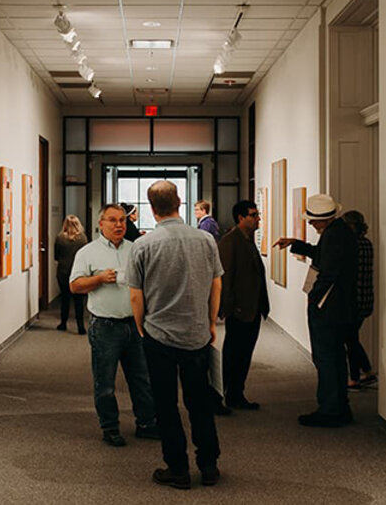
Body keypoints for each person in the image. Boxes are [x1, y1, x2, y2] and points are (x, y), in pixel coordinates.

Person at [128, 181, 224, 489]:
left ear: (151, 208)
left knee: (165, 405)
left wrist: (142, 327)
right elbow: (216, 284)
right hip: (196, 334)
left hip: (159, 336)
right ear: (180, 202)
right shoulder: (205, 240)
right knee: (200, 402)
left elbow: (135, 295)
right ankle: (208, 466)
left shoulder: (143, 245)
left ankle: (178, 469)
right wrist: (210, 322)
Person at [70, 204, 159, 447]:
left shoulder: (136, 249)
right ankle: (110, 427)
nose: (118, 225)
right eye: (112, 220)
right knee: (105, 382)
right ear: (101, 224)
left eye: (121, 220)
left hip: (135, 324)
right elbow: (75, 286)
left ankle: (146, 423)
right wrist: (99, 279)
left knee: (142, 378)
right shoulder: (87, 252)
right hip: (105, 327)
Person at [273, 194, 357, 427]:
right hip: (339, 307)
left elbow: (329, 272)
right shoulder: (340, 232)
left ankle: (330, 410)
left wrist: (314, 296)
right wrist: (296, 244)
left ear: (325, 219)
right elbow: (324, 257)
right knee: (336, 357)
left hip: (329, 307)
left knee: (326, 358)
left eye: (313, 220)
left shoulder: (335, 237)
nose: (311, 223)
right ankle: (339, 407)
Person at [217, 200, 270, 411]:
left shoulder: (247, 240)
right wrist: (227, 308)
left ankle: (237, 393)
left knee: (244, 353)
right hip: (239, 310)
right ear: (241, 217)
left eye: (257, 214)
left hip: (252, 308)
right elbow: (225, 276)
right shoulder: (231, 242)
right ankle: (229, 394)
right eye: (253, 215)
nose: (258, 219)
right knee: (234, 354)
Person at [341, 210, 376, 389]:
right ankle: (367, 371)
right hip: (365, 299)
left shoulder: (353, 245)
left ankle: (355, 377)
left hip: (354, 301)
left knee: (351, 340)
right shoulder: (367, 244)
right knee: (351, 338)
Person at [54, 215, 88, 334]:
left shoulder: (60, 238)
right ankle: (80, 326)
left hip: (63, 271)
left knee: (65, 298)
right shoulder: (83, 239)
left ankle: (63, 323)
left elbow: (56, 256)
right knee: (79, 300)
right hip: (79, 272)